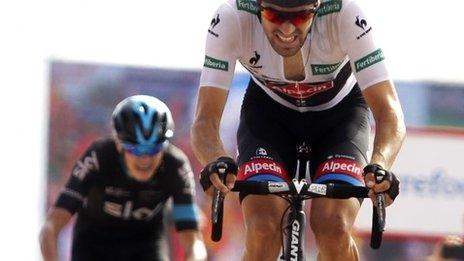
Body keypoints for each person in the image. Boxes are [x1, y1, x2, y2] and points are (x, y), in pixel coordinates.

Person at [191, 0, 405, 260]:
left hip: (339, 119)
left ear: (316, 8)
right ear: (258, 7)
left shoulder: (344, 13)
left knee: (334, 227)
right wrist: (216, 160)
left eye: (301, 17)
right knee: (262, 227)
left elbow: (390, 114)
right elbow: (204, 121)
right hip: (269, 118)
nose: (288, 28)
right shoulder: (231, 17)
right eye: (274, 15)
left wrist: (380, 165)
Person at [40, 95, 207, 261]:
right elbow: (51, 226)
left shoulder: (175, 165)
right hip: (94, 246)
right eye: (135, 150)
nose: (145, 159)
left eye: (154, 149)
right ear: (119, 144)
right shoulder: (100, 157)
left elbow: (193, 242)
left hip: (146, 247)